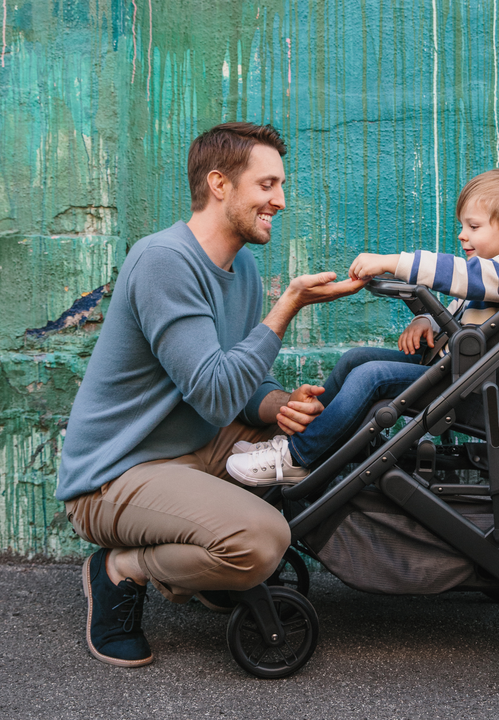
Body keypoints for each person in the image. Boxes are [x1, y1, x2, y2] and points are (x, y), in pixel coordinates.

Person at [56, 122, 367, 667]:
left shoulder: (240, 266)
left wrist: (277, 407)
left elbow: (240, 386)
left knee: (317, 448)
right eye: (267, 185)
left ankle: (205, 566)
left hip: (196, 450)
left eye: (281, 185)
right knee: (261, 542)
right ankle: (119, 572)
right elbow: (216, 395)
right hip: (114, 475)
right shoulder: (163, 262)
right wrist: (287, 305)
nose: (281, 200)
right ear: (220, 184)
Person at [226, 168, 499, 486]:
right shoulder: (493, 276)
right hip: (445, 369)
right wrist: (424, 321)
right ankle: (304, 439)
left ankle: (296, 457)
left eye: (473, 226)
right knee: (356, 358)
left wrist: (394, 263)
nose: (462, 235)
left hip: (465, 386)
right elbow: (455, 309)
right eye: (462, 226)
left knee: (371, 375)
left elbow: (459, 275)